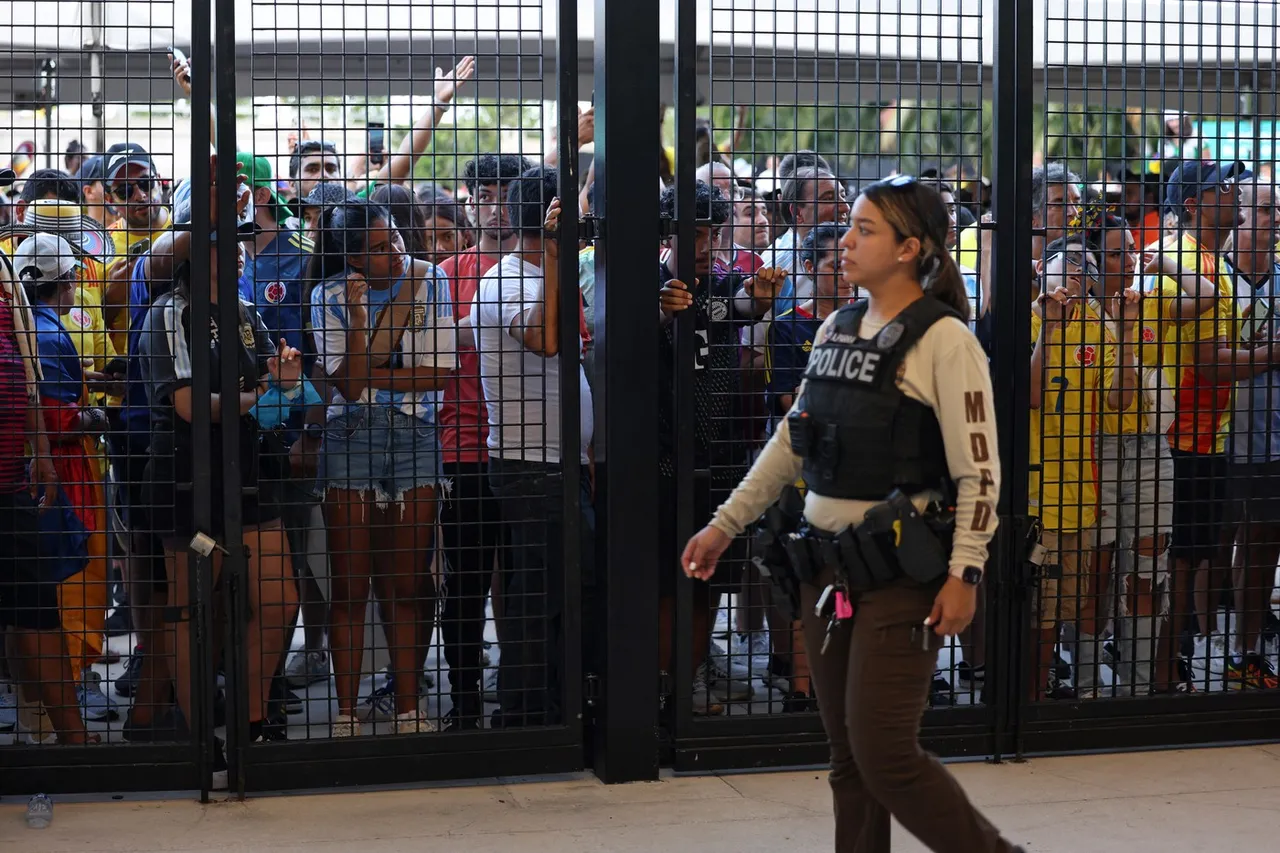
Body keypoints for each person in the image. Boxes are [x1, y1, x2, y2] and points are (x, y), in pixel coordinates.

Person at [681, 175, 1018, 853]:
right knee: (848, 762)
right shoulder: (837, 326)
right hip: (825, 568)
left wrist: (966, 572)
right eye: (850, 226)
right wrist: (726, 522)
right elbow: (790, 443)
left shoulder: (946, 340)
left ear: (908, 248)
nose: (846, 241)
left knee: (886, 755)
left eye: (865, 230)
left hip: (900, 574)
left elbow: (979, 471)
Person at [136, 199, 301, 774]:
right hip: (187, 480)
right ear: (192, 253)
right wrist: (264, 396)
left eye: (240, 240)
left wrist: (285, 386)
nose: (237, 251)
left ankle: (246, 729)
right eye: (222, 242)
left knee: (279, 602)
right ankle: (201, 738)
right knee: (191, 610)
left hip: (251, 477)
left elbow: (274, 411)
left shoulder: (248, 313)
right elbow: (186, 405)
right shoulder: (169, 314)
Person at [309, 197, 454, 736]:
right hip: (350, 440)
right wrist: (360, 323)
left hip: (417, 437)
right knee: (350, 586)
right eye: (375, 249)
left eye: (392, 237)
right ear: (351, 259)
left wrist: (369, 374)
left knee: (407, 583)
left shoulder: (429, 280)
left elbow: (437, 376)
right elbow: (345, 385)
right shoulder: (327, 297)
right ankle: (346, 714)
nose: (393, 251)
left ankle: (410, 708)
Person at [657, 180, 784, 713]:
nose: (707, 246)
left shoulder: (727, 282)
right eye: (696, 235)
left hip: (723, 453)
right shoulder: (649, 283)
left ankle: (684, 685)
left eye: (714, 234)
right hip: (660, 454)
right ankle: (663, 687)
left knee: (706, 578)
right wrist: (663, 312)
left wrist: (758, 296)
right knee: (663, 577)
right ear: (668, 234)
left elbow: (738, 305)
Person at [473, 167, 594, 728]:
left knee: (559, 595)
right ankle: (526, 720)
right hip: (530, 465)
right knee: (537, 600)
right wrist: (552, 250)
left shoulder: (541, 272)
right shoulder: (506, 281)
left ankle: (550, 711)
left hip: (556, 463)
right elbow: (547, 342)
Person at [435, 153, 529, 728]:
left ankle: (521, 695)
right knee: (464, 580)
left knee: (523, 578)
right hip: (464, 444)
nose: (493, 205)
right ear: (469, 200)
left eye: (504, 193)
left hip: (529, 444)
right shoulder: (446, 273)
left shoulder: (549, 266)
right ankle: (463, 698)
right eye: (483, 193)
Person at [16, 234, 117, 722]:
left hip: (28, 473)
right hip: (66, 475)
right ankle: (73, 686)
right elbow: (57, 418)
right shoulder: (53, 334)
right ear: (67, 280)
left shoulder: (23, 326)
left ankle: (34, 701)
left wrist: (90, 382)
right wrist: (103, 417)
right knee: (76, 580)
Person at [0, 241, 95, 746]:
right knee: (37, 607)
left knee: (29, 605)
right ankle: (65, 732)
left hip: (16, 476)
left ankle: (45, 723)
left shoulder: (8, 286)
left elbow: (31, 379)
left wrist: (38, 445)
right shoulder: (43, 320)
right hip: (21, 475)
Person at [1222, 177, 1280, 690]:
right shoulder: (1214, 280)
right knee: (1212, 547)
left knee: (1263, 544)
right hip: (1214, 439)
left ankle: (1247, 651)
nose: (1274, 218)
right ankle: (1178, 661)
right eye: (1264, 209)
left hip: (1271, 440)